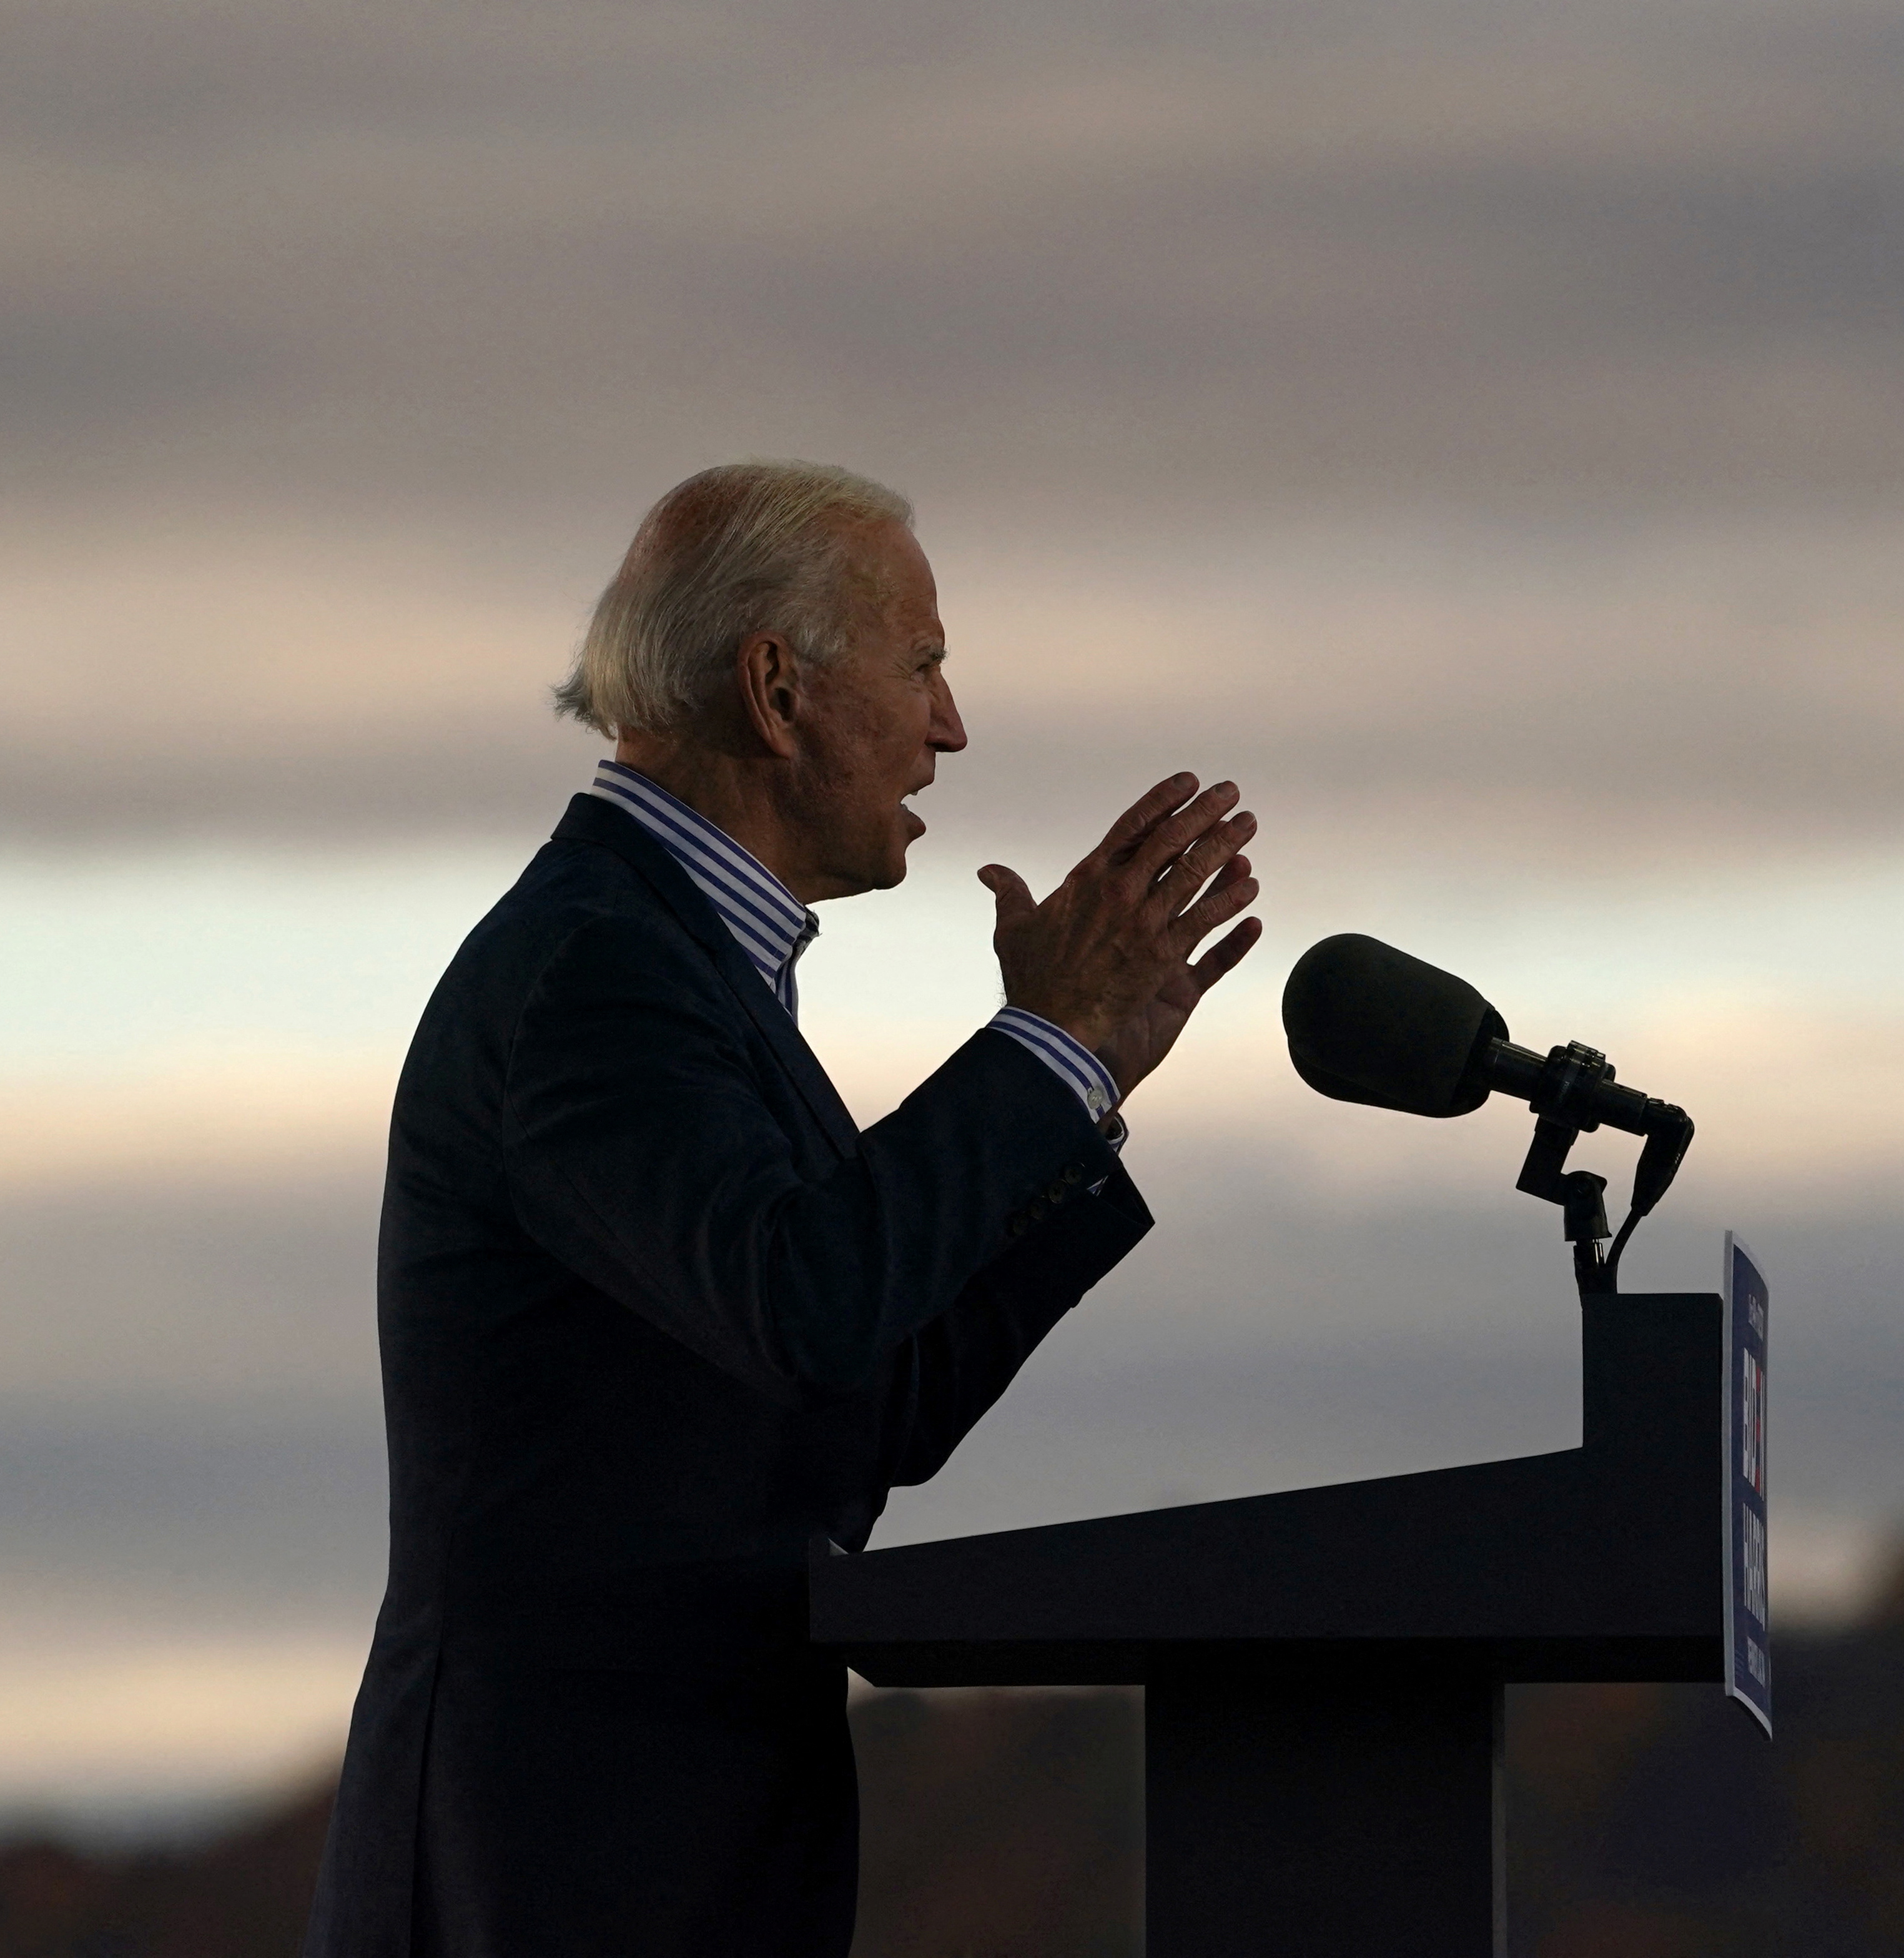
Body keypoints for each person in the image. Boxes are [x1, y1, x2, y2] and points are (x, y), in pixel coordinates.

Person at [303, 460, 1261, 1957]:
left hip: (664, 1852)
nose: (950, 727)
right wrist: (1043, 1049)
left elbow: (881, 1396)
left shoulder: (676, 962)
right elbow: (808, 1304)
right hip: (557, 1870)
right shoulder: (599, 972)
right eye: (924, 664)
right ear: (775, 687)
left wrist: (1083, 1076)